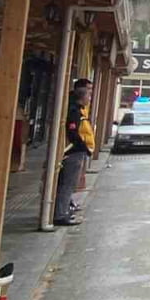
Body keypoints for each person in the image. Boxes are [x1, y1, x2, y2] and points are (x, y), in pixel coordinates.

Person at [55, 79, 94, 227]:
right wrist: (84, 147)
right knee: (68, 184)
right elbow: (73, 133)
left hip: (75, 151)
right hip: (73, 152)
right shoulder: (74, 111)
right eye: (88, 95)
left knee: (68, 184)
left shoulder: (78, 109)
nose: (90, 99)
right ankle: (61, 214)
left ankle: (64, 209)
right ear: (82, 96)